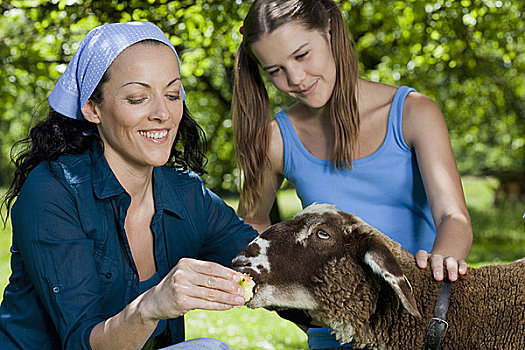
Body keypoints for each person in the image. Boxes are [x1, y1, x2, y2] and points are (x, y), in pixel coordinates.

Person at [0, 21, 257, 350]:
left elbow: (268, 263)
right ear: (93, 108)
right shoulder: (53, 190)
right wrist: (152, 306)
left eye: (173, 94)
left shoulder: (187, 193)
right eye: (137, 98)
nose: (162, 113)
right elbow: (81, 342)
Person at [232, 0, 473, 348]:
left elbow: (454, 217)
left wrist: (441, 265)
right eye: (275, 71)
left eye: (302, 55)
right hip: (335, 334)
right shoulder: (275, 139)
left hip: (419, 320)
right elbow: (251, 222)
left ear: (330, 30)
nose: (295, 79)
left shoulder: (413, 112)